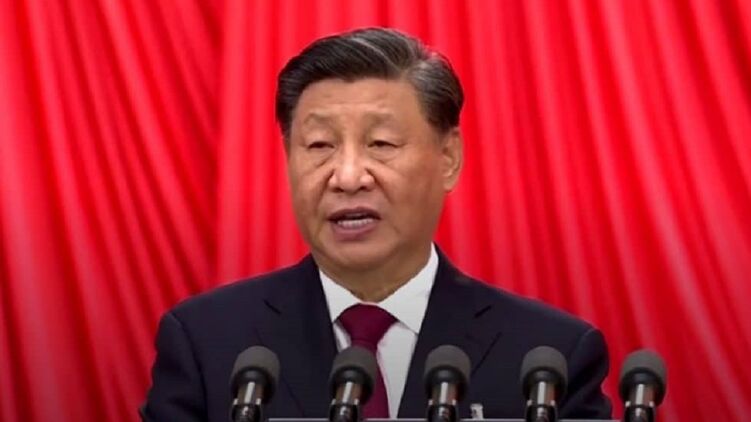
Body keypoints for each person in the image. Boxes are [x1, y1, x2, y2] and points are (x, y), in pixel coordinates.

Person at [141, 27, 612, 421]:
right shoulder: (207, 342)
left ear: (448, 158)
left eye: (381, 144)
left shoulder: (549, 357)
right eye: (320, 146)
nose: (347, 177)